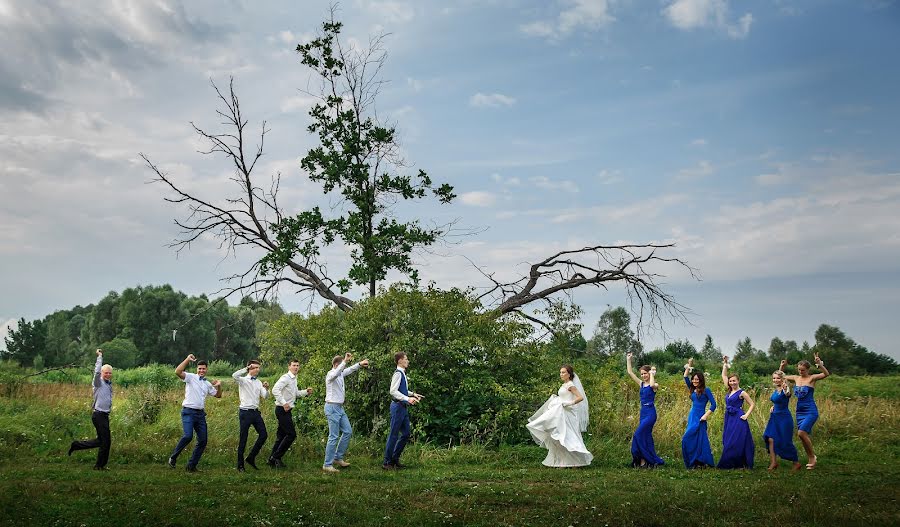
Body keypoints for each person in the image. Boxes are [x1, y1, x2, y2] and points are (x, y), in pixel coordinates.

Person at [526, 364, 593, 468]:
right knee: (559, 436)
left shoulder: (570, 385)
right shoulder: (565, 384)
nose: (561, 374)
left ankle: (574, 461)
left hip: (567, 413)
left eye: (563, 372)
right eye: (560, 372)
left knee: (568, 436)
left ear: (569, 374)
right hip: (560, 412)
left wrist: (569, 403)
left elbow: (580, 397)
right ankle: (563, 461)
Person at [167, 354, 222, 472]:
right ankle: (173, 457)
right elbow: (177, 371)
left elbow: (218, 395)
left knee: (203, 440)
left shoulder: (207, 384)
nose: (201, 370)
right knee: (188, 436)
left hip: (200, 414)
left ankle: (191, 466)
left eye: (204, 368)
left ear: (207, 369)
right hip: (188, 411)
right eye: (199, 368)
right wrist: (187, 359)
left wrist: (219, 386)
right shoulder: (190, 377)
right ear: (197, 369)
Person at [780, 353, 830, 469]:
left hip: (810, 410)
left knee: (801, 433)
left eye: (802, 370)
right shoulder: (796, 378)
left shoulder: (812, 378)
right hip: (799, 411)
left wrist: (819, 363)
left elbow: (826, 374)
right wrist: (782, 366)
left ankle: (812, 457)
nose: (800, 372)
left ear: (807, 369)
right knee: (802, 436)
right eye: (799, 370)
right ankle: (810, 457)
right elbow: (781, 376)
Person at [322, 352, 370, 473]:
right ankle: (327, 464)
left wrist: (359, 364)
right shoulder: (331, 374)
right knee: (333, 436)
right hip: (332, 407)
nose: (342, 368)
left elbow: (349, 370)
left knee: (348, 431)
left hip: (339, 408)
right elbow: (339, 371)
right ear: (336, 365)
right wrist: (345, 360)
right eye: (341, 365)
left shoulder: (340, 374)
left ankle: (338, 458)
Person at [68, 349, 113, 470]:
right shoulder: (98, 383)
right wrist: (100, 357)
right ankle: (99, 466)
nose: (108, 374)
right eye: (106, 373)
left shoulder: (109, 384)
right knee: (106, 442)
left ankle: (77, 445)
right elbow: (97, 371)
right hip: (98, 415)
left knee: (101, 441)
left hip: (104, 416)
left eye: (110, 373)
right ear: (102, 374)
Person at [383, 352, 424, 470]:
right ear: (400, 361)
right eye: (406, 359)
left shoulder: (402, 374)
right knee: (393, 435)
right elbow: (393, 391)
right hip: (397, 406)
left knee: (406, 434)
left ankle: (395, 459)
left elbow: (403, 390)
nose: (408, 361)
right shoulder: (397, 374)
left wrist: (413, 395)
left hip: (402, 407)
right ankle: (387, 462)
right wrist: (408, 399)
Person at [269, 359, 313, 468]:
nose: (296, 367)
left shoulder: (294, 379)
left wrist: (305, 392)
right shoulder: (286, 378)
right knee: (291, 434)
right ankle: (276, 457)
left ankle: (271, 460)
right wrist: (284, 403)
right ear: (289, 367)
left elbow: (295, 393)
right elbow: (275, 390)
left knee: (281, 436)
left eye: (297, 365)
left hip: (287, 410)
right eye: (294, 365)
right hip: (282, 409)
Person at [625, 353, 664, 467]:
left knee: (638, 434)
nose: (643, 376)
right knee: (645, 436)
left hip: (651, 413)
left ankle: (647, 459)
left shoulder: (655, 385)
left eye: (645, 373)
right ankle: (644, 460)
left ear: (649, 373)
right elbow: (630, 373)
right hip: (643, 412)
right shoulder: (641, 384)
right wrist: (629, 360)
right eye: (642, 374)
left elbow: (651, 384)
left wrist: (652, 374)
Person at [717, 356, 755, 469]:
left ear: (738, 381)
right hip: (729, 417)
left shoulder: (742, 392)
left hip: (739, 417)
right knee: (728, 439)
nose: (732, 382)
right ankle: (731, 462)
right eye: (730, 381)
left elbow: (752, 404)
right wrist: (725, 363)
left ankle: (739, 463)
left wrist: (746, 415)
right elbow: (723, 375)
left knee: (737, 440)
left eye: (734, 380)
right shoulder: (729, 390)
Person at [232, 360, 269, 472]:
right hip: (245, 412)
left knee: (263, 435)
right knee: (243, 438)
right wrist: (246, 368)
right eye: (255, 367)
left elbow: (265, 397)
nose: (258, 369)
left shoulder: (258, 382)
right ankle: (240, 465)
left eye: (258, 367)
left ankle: (251, 457)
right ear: (250, 368)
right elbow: (234, 375)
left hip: (255, 412)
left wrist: (267, 388)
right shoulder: (243, 380)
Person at [763, 370, 801, 471]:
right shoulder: (776, 389)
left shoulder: (785, 388)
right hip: (774, 417)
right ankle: (773, 462)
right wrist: (773, 406)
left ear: (782, 379)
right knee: (770, 438)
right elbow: (778, 400)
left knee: (785, 441)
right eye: (774, 378)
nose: (775, 380)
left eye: (778, 378)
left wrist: (786, 389)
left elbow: (787, 394)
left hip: (784, 418)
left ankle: (796, 462)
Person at [681, 358, 716, 468]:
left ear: (701, 380)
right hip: (692, 416)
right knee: (688, 438)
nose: (695, 381)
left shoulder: (706, 390)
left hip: (701, 417)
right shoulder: (692, 388)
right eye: (694, 379)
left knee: (701, 440)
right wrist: (690, 365)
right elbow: (685, 376)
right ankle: (694, 460)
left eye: (697, 380)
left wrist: (706, 415)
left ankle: (701, 462)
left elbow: (714, 405)